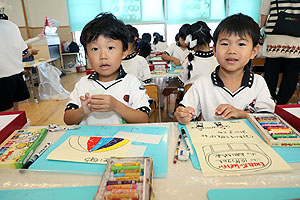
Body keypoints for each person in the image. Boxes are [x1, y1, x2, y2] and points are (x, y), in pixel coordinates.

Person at [174, 13, 275, 124]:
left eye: (241, 44)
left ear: (253, 52)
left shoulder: (258, 83)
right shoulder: (202, 83)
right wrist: (182, 114)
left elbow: (268, 119)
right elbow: (184, 109)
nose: (231, 50)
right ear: (215, 51)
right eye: (225, 44)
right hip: (211, 139)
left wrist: (243, 114)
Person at [64, 13, 150, 125]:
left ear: (124, 52)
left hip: (122, 140)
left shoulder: (131, 82)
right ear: (87, 55)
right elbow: (68, 119)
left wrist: (116, 105)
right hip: (89, 141)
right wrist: (83, 111)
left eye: (110, 48)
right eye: (95, 49)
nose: (103, 56)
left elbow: (143, 118)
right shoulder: (83, 84)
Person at [260, 0, 300, 105]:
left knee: (271, 72)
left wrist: (261, 28)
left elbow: (264, 11)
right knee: (292, 73)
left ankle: (269, 101)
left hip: (275, 34)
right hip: (296, 36)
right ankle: (281, 103)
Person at [0, 2, 35, 112]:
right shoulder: (12, 26)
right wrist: (31, 52)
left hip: (2, 77)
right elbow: (24, 53)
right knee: (15, 111)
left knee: (5, 114)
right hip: (16, 74)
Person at [178, 21, 218, 86]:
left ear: (192, 43)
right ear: (210, 40)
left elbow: (181, 82)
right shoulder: (219, 59)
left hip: (192, 95)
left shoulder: (189, 60)